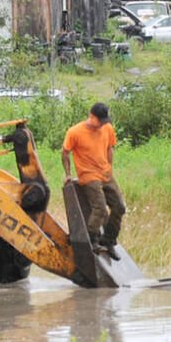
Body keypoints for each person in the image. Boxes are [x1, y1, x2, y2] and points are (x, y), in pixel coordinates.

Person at [62, 101, 125, 253]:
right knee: (100, 208)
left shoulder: (107, 128)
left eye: (105, 121)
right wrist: (68, 174)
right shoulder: (75, 132)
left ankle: (109, 240)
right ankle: (91, 239)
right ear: (91, 116)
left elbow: (110, 148)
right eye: (100, 121)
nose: (102, 125)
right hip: (88, 175)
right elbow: (65, 152)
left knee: (119, 207)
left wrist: (109, 168)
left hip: (105, 174)